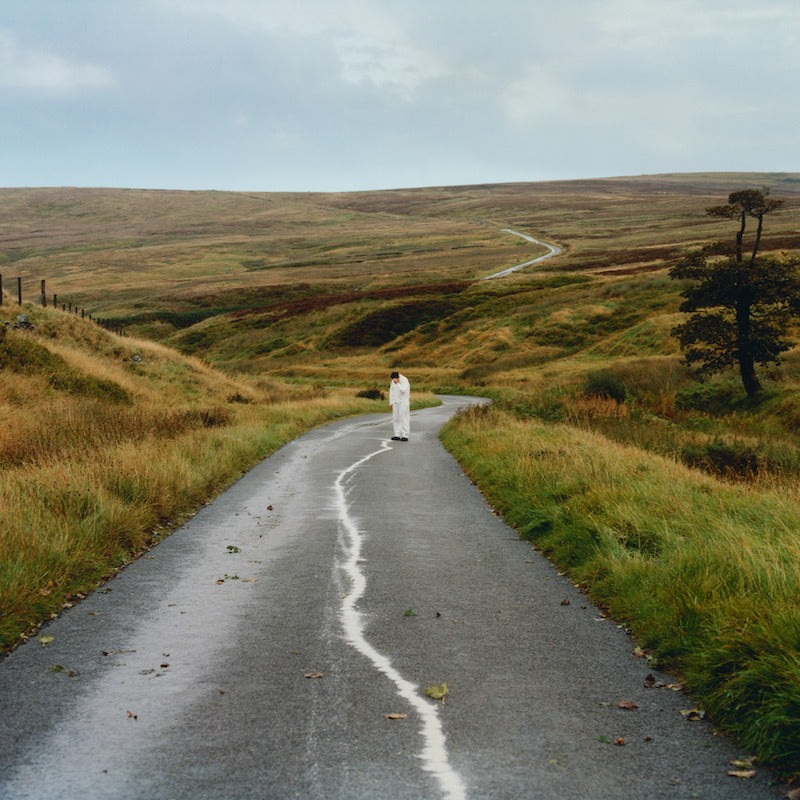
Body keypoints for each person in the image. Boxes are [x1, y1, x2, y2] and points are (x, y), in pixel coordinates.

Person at [389, 371, 410, 441]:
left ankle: (405, 435)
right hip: (395, 402)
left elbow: (403, 390)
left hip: (403, 402)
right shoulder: (393, 381)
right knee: (396, 418)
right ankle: (397, 434)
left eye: (395, 379)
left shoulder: (405, 380)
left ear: (398, 377)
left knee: (403, 418)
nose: (393, 381)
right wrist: (391, 403)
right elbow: (391, 392)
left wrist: (397, 383)